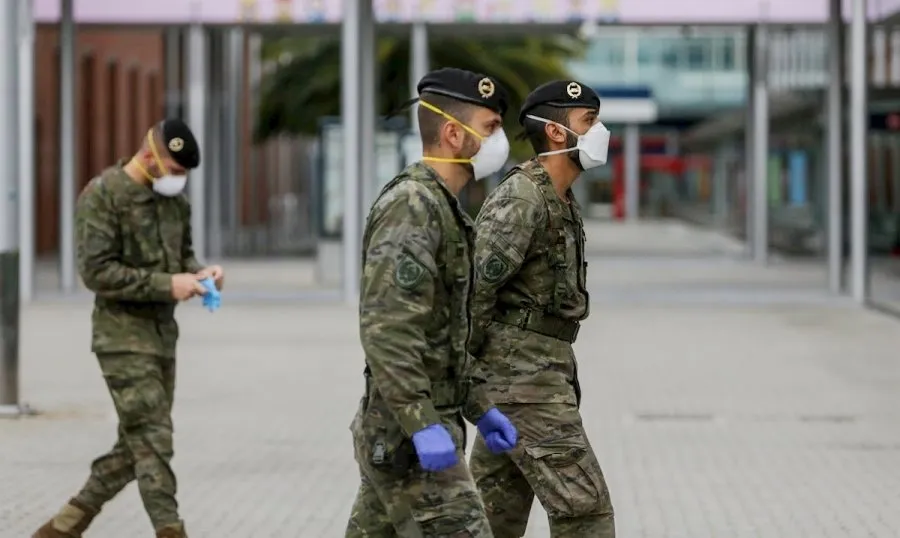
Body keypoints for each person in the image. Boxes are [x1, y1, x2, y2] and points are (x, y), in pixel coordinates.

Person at [345, 67, 519, 537]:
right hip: (407, 436)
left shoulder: (444, 207)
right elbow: (387, 329)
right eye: (490, 128)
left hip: (413, 429)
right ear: (452, 134)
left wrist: (479, 406)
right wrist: (422, 423)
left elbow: (443, 339)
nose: (499, 141)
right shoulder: (413, 205)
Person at [32, 119, 224, 538]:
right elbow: (96, 272)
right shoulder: (104, 196)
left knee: (138, 441)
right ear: (149, 154)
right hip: (120, 339)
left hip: (162, 338)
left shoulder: (175, 204)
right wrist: (166, 285)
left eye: (184, 174)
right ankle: (170, 531)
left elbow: (183, 256)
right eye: (175, 171)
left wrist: (201, 273)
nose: (179, 181)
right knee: (156, 439)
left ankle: (64, 526)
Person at [466, 80, 616, 537]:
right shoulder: (522, 199)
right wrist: (467, 383)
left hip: (539, 375)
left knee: (495, 519)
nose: (599, 131)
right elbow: (473, 295)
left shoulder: (561, 199)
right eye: (589, 121)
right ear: (555, 132)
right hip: (524, 384)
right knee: (584, 512)